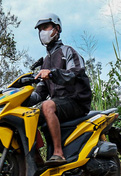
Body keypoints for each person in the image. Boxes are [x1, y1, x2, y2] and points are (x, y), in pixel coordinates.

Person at [29, 13, 92, 166]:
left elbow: (74, 74)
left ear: (57, 29)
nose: (42, 32)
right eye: (40, 29)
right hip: (59, 103)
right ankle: (36, 160)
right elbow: (40, 93)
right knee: (28, 116)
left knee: (47, 106)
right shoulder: (45, 62)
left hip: (76, 100)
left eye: (46, 27)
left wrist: (52, 73)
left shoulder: (67, 51)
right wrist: (21, 98)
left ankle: (59, 153)